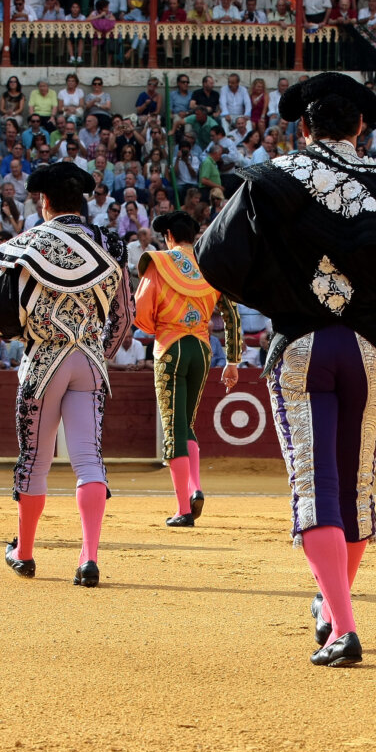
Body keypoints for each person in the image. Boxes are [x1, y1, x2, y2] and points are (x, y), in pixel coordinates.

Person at [195, 73, 376, 668]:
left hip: (300, 345)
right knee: (355, 490)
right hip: (367, 351)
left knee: (315, 487)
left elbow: (213, 256)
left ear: (303, 127)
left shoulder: (270, 177)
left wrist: (274, 289)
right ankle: (330, 605)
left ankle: (342, 626)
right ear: (361, 127)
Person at [0, 162, 132, 588]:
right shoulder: (110, 244)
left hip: (43, 362)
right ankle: (88, 559)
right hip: (88, 361)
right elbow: (125, 316)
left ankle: (25, 553)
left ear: (44, 201)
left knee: (35, 460)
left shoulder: (26, 246)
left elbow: (2, 322)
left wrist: (33, 333)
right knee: (89, 460)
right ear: (81, 202)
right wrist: (98, 353)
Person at [134, 212, 242, 527]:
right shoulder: (210, 264)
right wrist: (232, 361)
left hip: (171, 347)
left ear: (168, 235)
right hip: (202, 350)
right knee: (187, 423)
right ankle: (195, 488)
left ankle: (183, 509)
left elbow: (141, 310)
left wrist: (158, 325)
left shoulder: (159, 263)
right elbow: (232, 315)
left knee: (173, 429)